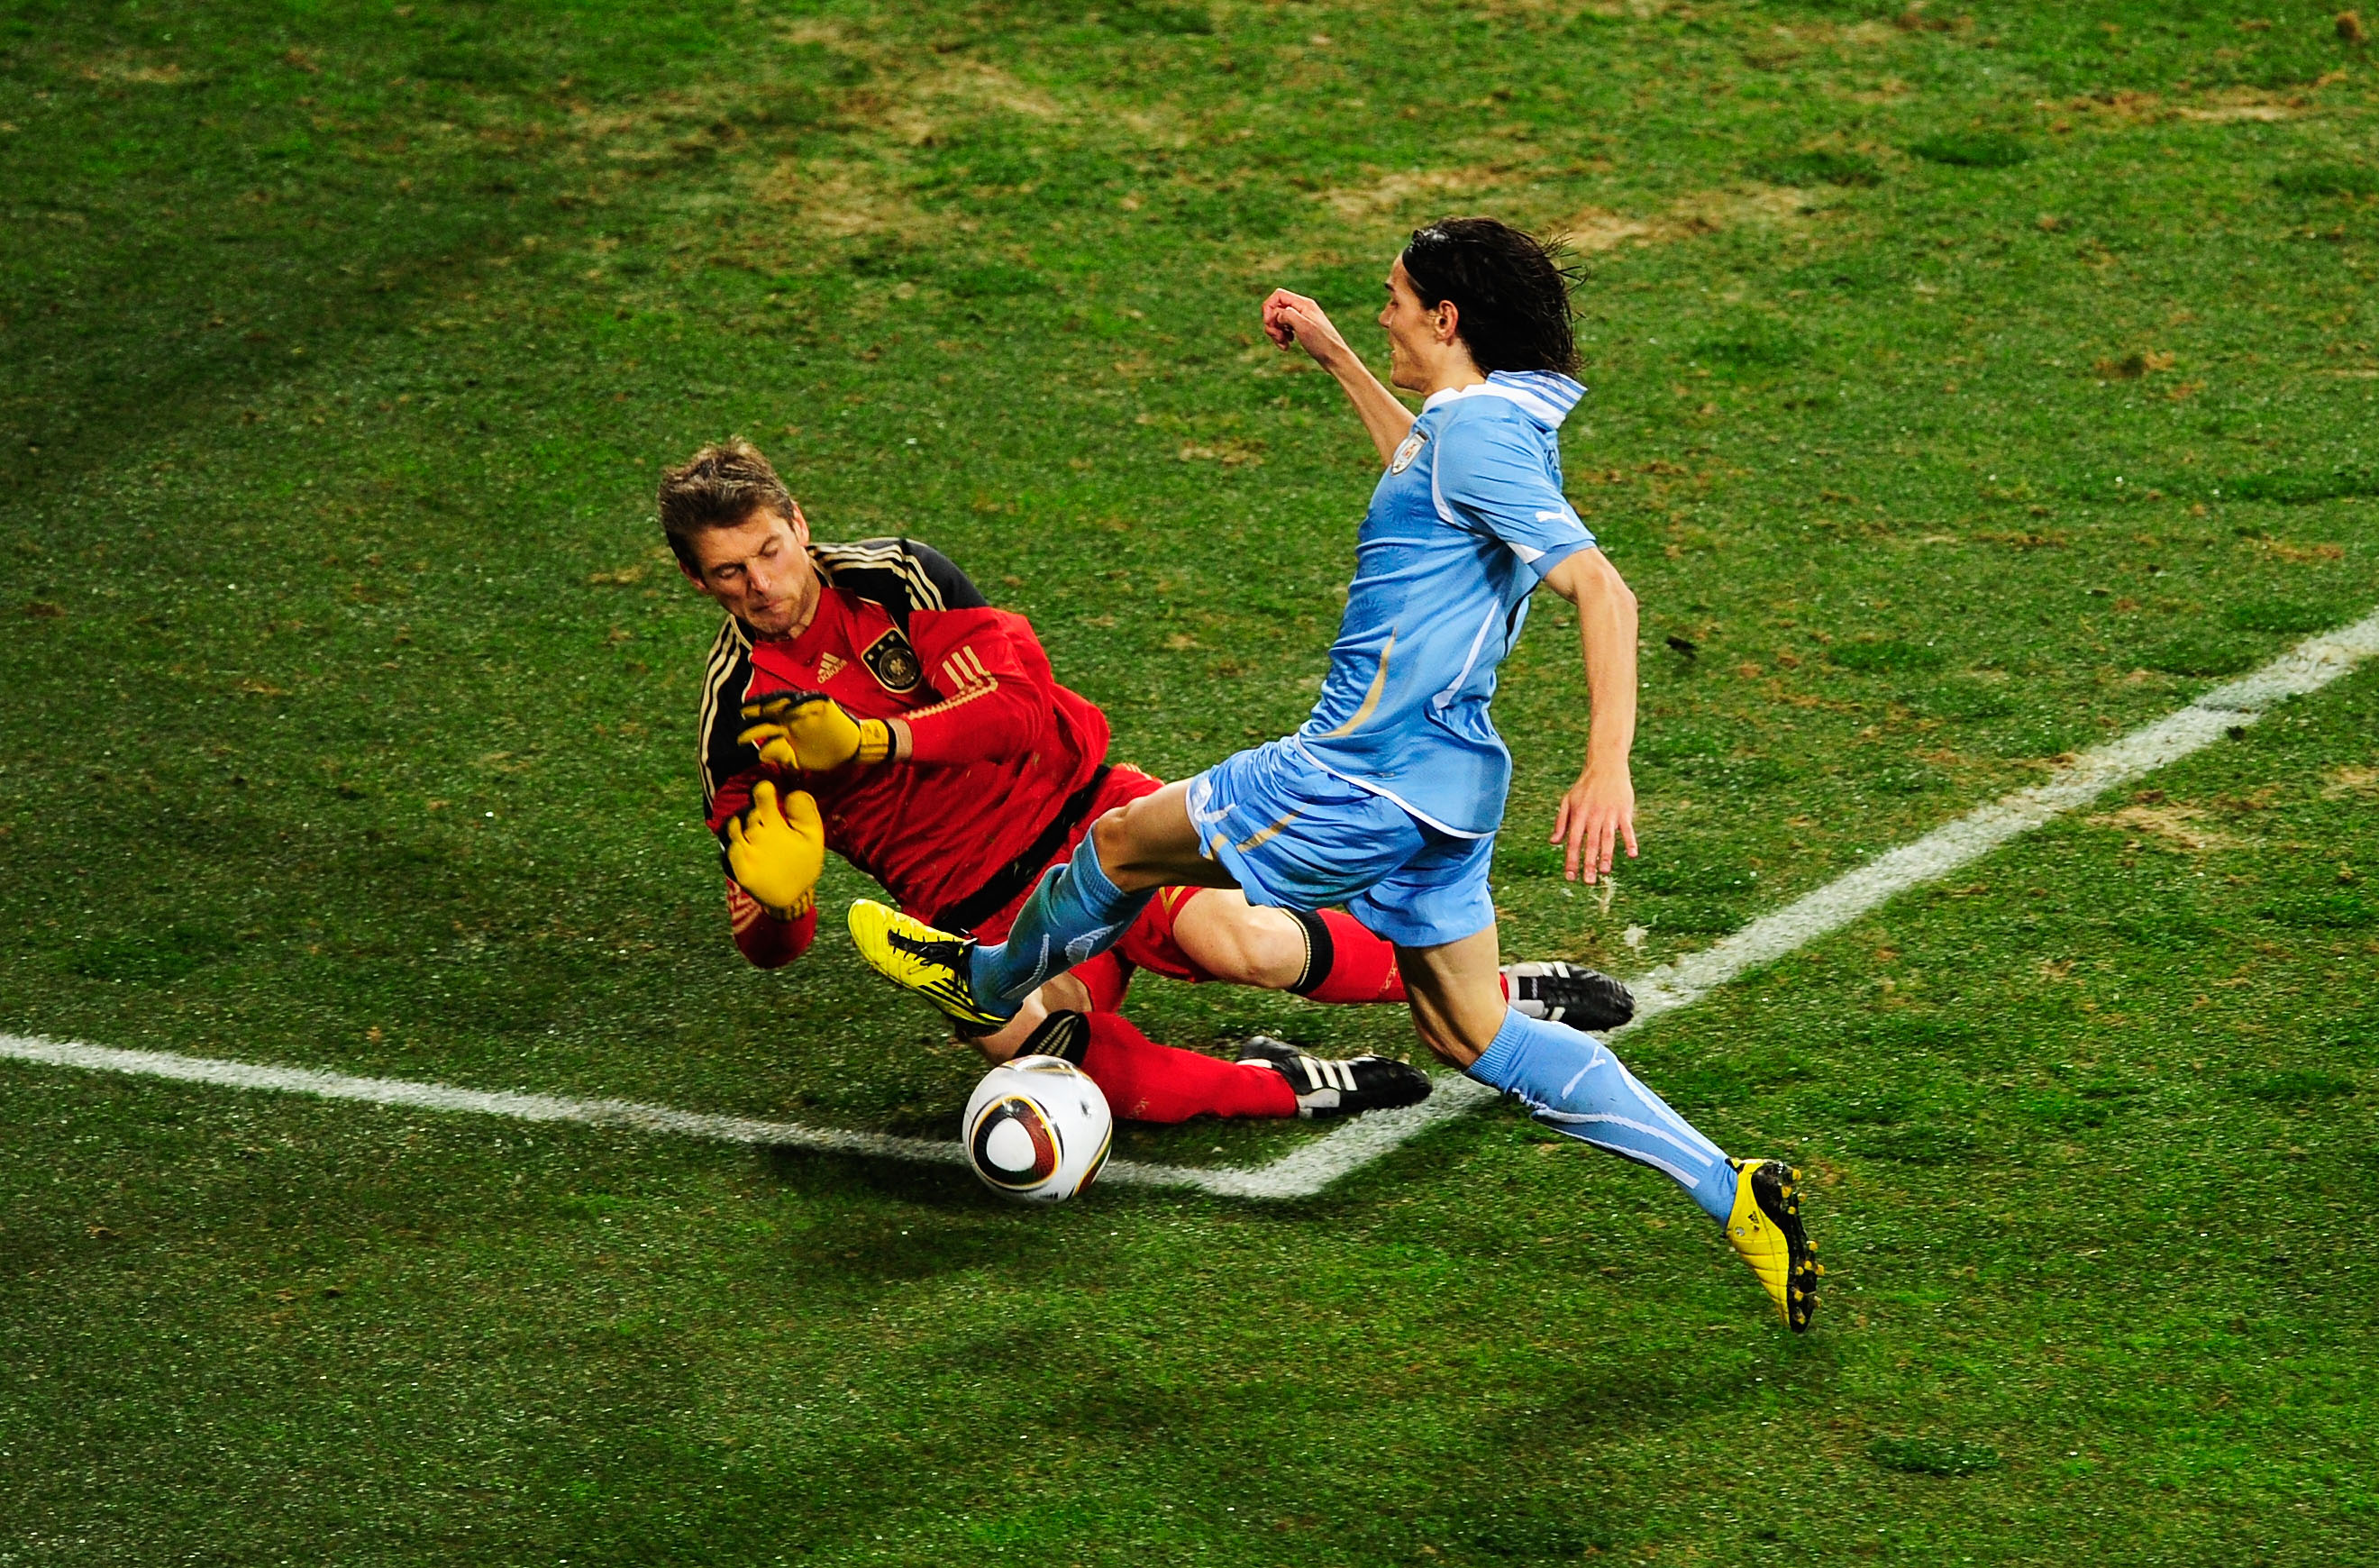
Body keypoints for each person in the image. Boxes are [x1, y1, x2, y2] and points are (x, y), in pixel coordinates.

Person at [846, 219, 1820, 1329]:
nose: (1385, 314)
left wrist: (1608, 765)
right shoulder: (1480, 427)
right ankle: (1731, 1191)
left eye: (1394, 301)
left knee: (1119, 844)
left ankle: (987, 981)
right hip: (1449, 792)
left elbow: (1606, 591)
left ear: (1448, 319)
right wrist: (1339, 360)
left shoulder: (1479, 440)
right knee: (1470, 1035)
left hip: (1354, 772)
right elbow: (1428, 474)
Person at [662, 439, 1635, 1125]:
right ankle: (1290, 1085)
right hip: (975, 911)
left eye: (770, 551)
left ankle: (1500, 991)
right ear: (698, 584)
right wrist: (783, 906)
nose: (762, 585)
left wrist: (875, 748)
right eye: (728, 574)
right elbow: (767, 938)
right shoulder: (734, 719)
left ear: (797, 522)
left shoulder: (899, 580)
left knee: (1244, 938)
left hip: (1091, 817)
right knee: (1058, 1071)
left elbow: (1028, 712)